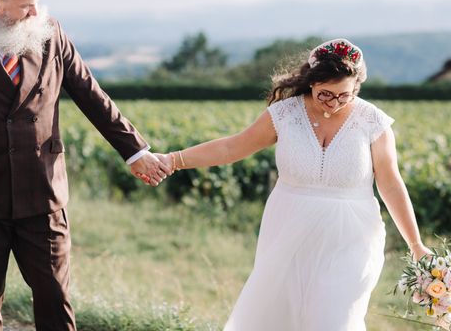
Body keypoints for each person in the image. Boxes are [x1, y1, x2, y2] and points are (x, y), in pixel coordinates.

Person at [0, 0, 170, 331]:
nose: (36, 11)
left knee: (56, 304)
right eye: (26, 5)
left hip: (43, 198)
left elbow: (91, 94)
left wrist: (134, 151)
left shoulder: (52, 34)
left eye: (37, 1)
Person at [156, 38, 431, 331]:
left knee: (335, 321)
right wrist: (173, 160)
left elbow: (390, 184)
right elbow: (231, 148)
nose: (335, 103)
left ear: (357, 88)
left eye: (344, 96)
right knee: (278, 317)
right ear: (311, 83)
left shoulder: (373, 122)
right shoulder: (285, 114)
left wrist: (416, 245)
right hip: (288, 228)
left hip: (352, 238)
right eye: (326, 94)